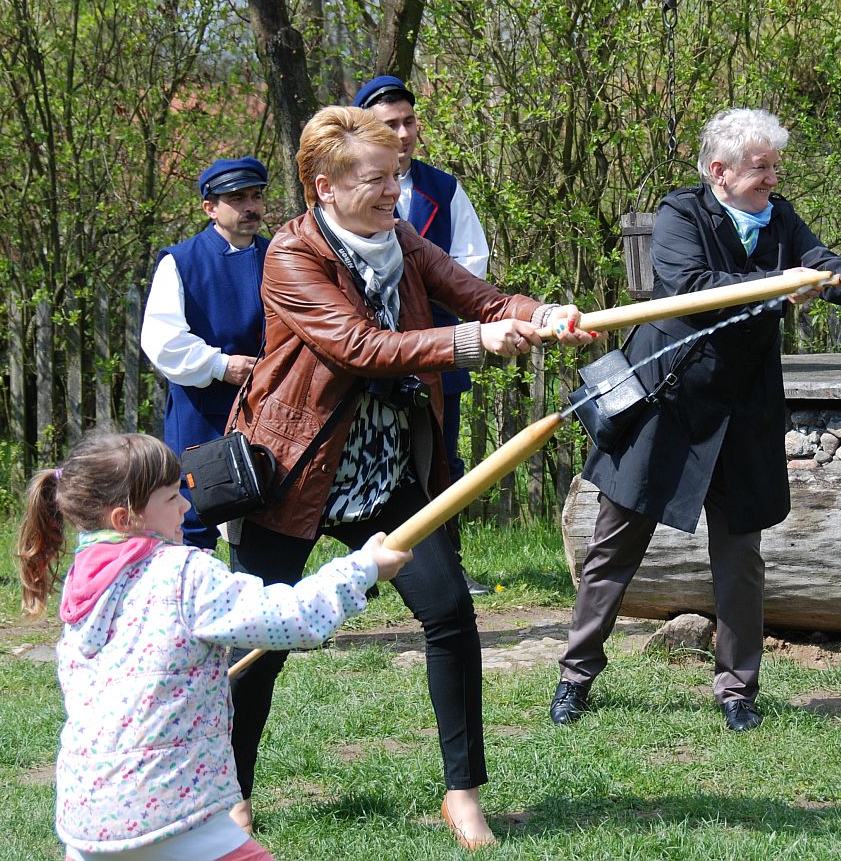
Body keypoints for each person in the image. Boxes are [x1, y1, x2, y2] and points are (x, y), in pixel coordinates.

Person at [226, 105, 593, 850]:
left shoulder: (401, 240)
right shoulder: (291, 257)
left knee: (449, 613)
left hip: (384, 471)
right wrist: (471, 343)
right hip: (294, 472)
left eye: (396, 176)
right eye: (376, 180)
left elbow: (482, 298)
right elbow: (359, 347)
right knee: (255, 644)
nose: (394, 191)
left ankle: (461, 795)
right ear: (324, 187)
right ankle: (231, 795)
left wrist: (545, 315)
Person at [549, 108, 841, 732]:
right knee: (614, 545)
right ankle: (576, 675)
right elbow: (693, 283)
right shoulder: (679, 215)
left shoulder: (780, 217)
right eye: (760, 167)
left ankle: (738, 690)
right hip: (668, 402)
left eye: (773, 166)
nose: (772, 178)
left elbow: (820, 262)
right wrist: (782, 286)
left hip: (745, 409)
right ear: (721, 171)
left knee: (741, 557)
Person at [15, 431, 410, 861]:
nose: (186, 506)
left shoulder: (83, 585)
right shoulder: (183, 573)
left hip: (87, 817)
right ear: (123, 518)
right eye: (171, 499)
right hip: (170, 811)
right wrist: (362, 568)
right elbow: (290, 615)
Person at [353, 75, 495, 595]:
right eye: (390, 124)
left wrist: (425, 298)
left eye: (409, 121)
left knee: (442, 457)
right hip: (370, 350)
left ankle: (447, 566)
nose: (404, 132)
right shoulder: (346, 190)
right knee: (368, 452)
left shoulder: (443, 188)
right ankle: (366, 570)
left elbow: (470, 262)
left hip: (437, 344)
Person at [141, 156, 270, 549]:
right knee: (193, 514)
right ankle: (183, 601)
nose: (251, 206)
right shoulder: (181, 262)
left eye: (256, 196)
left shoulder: (281, 255)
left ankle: (258, 603)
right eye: (237, 198)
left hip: (267, 405)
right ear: (210, 207)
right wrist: (220, 365)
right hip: (203, 409)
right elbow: (162, 339)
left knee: (264, 516)